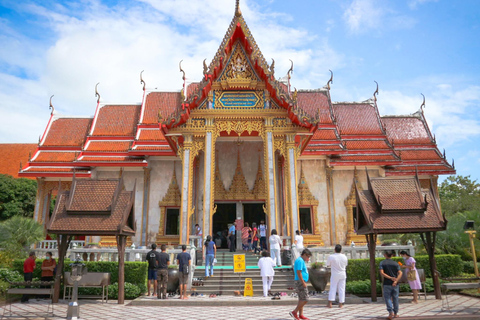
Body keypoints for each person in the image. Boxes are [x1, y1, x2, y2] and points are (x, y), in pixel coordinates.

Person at [379, 250, 403, 320]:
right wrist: (396, 280)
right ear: (392, 255)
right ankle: (395, 313)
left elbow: (382, 273)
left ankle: (390, 312)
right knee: (395, 298)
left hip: (387, 283)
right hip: (395, 284)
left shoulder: (382, 263)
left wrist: (390, 278)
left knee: (387, 298)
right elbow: (400, 273)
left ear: (385, 255)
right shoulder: (395, 263)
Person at [290, 248, 312, 320]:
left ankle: (300, 314)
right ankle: (294, 312)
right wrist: (303, 282)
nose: (308, 258)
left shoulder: (301, 260)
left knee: (301, 299)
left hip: (300, 281)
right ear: (304, 255)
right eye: (308, 256)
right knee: (305, 299)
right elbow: (298, 272)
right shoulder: (300, 261)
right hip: (300, 282)